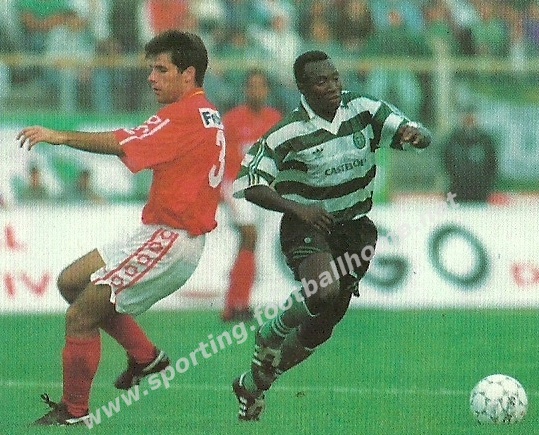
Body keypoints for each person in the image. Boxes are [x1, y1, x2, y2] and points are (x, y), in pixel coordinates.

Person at [17, 30, 226, 426]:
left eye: (161, 69)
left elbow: (123, 142)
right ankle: (147, 358)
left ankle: (73, 412)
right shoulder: (205, 112)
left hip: (172, 238)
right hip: (159, 231)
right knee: (71, 282)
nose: (151, 77)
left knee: (81, 316)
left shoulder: (183, 114)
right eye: (151, 69)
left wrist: (60, 136)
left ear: (188, 74)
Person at [231, 50, 431, 421]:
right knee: (324, 289)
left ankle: (253, 384)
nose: (333, 86)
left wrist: (415, 136)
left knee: (322, 327)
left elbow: (412, 131)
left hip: (355, 231)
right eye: (321, 81)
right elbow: (249, 184)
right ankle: (269, 334)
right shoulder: (287, 132)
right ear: (303, 88)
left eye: (335, 77)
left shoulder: (364, 109)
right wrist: (299, 209)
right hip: (308, 225)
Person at [221, 68, 282, 322]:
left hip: (262, 189)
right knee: (250, 235)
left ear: (267, 90)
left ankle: (235, 305)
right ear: (245, 90)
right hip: (236, 186)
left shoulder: (275, 119)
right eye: (252, 86)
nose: (256, 91)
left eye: (260, 86)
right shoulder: (232, 120)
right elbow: (220, 156)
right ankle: (238, 304)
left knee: (249, 244)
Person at [441, 106, 498, 202]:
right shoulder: (452, 140)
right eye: (466, 118)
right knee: (454, 210)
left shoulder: (485, 141)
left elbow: (493, 165)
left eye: (471, 118)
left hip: (480, 193)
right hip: (455, 192)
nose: (469, 121)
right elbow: (445, 163)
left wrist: (487, 185)